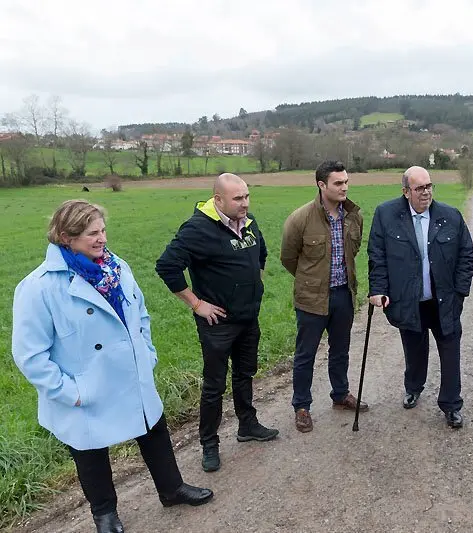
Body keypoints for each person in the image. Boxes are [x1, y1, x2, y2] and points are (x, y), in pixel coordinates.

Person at [12, 200, 212, 533]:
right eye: (93, 233)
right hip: (85, 386)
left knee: (153, 429)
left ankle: (171, 489)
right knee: (90, 451)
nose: (102, 238)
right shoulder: (39, 287)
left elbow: (141, 314)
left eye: (103, 230)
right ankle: (104, 514)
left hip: (132, 374)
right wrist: (71, 392)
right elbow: (29, 355)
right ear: (66, 237)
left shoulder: (116, 268)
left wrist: (146, 354)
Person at [155, 173, 278, 474]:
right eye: (238, 198)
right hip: (218, 324)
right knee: (214, 385)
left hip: (248, 317)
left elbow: (261, 255)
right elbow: (167, 266)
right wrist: (197, 304)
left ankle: (247, 425)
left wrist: (255, 287)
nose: (245, 203)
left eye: (247, 196)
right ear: (218, 199)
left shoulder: (249, 223)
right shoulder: (197, 229)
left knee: (245, 373)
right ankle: (209, 444)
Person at [367, 166, 473, 428]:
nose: (426, 192)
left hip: (444, 301)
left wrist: (460, 292)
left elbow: (467, 255)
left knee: (450, 353)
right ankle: (413, 387)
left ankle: (451, 405)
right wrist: (378, 289)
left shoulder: (450, 216)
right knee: (414, 350)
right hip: (408, 299)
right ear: (406, 192)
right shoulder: (386, 215)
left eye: (428, 186)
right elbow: (377, 255)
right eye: (419, 188)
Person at [280, 160, 367, 433]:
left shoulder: (354, 216)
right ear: (321, 185)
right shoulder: (300, 219)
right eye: (338, 183)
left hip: (343, 295)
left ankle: (340, 394)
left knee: (340, 350)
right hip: (312, 299)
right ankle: (302, 406)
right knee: (305, 355)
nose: (344, 187)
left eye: (346, 182)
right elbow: (288, 258)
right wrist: (312, 282)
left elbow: (353, 252)